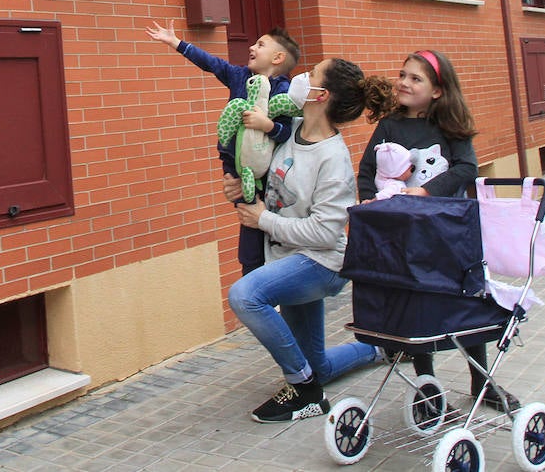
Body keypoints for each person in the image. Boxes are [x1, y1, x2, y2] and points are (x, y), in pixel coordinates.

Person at [226, 57, 394, 423]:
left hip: (321, 263)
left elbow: (324, 232)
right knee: (318, 363)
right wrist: (239, 188)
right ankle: (379, 351)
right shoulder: (288, 129)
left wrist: (263, 219)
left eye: (311, 73)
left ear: (319, 94)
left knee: (245, 295)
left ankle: (303, 390)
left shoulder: (333, 158)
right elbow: (261, 172)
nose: (300, 77)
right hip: (288, 256)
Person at [356, 49, 520, 411]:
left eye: (416, 78)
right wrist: (371, 203)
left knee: (463, 300)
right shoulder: (389, 125)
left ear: (437, 91)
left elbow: (466, 168)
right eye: (403, 74)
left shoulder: (449, 125)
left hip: (448, 231)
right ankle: (426, 383)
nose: (404, 82)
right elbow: (368, 169)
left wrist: (426, 191)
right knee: (417, 302)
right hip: (404, 234)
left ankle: (481, 381)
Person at [146, 21, 299, 274]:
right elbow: (210, 63)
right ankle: (251, 267)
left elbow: (286, 132)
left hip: (266, 171)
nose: (251, 46)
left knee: (261, 216)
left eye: (260, 44)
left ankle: (266, 267)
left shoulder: (283, 90)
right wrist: (176, 43)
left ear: (278, 57)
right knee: (247, 213)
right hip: (236, 165)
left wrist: (267, 125)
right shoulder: (240, 76)